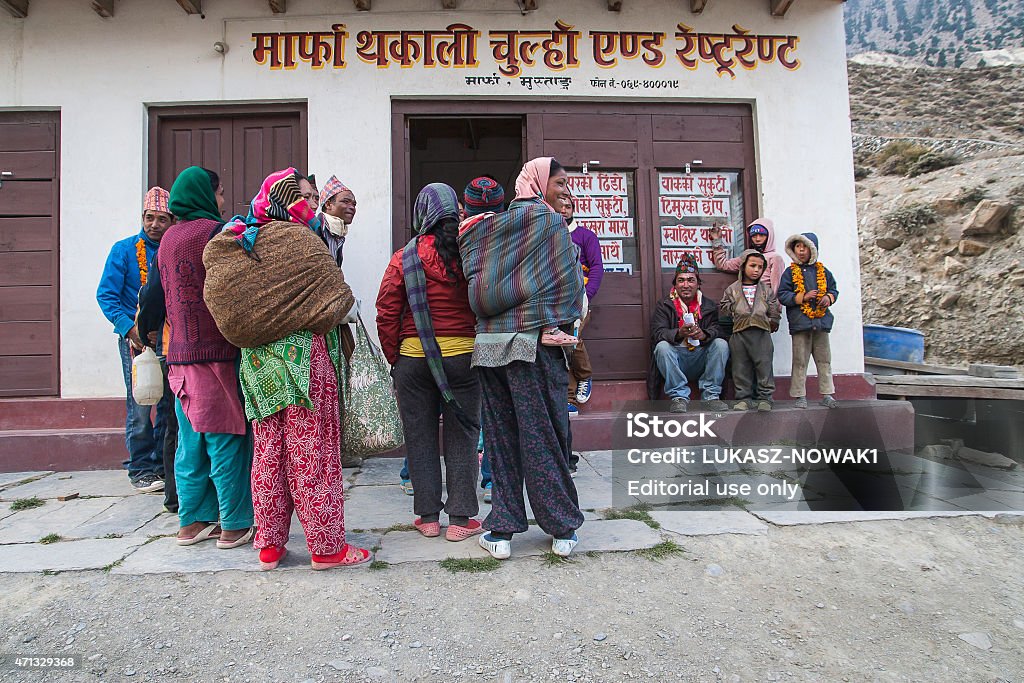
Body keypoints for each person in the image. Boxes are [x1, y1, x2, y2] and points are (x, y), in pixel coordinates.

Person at [227, 168, 370, 570]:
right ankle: (327, 549)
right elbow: (338, 301)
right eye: (304, 198)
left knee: (268, 453)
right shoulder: (301, 241)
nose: (311, 205)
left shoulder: (244, 240)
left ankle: (270, 546)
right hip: (303, 359)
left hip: (257, 364)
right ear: (289, 201)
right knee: (313, 453)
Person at [459, 157, 585, 560]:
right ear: (540, 182)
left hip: (490, 347)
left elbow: (480, 289)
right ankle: (562, 526)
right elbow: (567, 289)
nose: (565, 190)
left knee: (500, 440)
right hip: (533, 347)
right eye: (560, 183)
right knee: (542, 435)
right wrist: (553, 319)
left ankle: (502, 529)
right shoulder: (547, 223)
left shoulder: (491, 224)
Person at [376, 183, 483, 542]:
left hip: (413, 359)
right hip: (464, 359)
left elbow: (386, 311)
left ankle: (427, 517)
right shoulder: (471, 252)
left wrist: (396, 358)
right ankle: (461, 519)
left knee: (419, 436)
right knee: (463, 434)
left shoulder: (403, 257)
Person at [156, 166, 254, 549]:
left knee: (189, 443)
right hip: (215, 355)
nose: (224, 200)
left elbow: (151, 296)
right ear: (206, 195)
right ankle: (233, 525)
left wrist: (145, 332)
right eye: (221, 192)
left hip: (178, 357)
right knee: (226, 439)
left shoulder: (166, 240)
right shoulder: (217, 232)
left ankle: (191, 522)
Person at [96, 186, 174, 493]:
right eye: (149, 218)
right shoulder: (124, 250)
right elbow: (107, 296)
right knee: (141, 405)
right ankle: (140, 467)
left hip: (167, 339)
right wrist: (133, 330)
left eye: (161, 219)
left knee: (167, 404)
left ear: (172, 221)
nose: (154, 225)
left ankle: (161, 465)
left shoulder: (173, 248)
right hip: (134, 342)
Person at [461, 175, 506, 503]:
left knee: (453, 411)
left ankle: (415, 477)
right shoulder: (515, 233)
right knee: (494, 408)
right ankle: (491, 481)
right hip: (498, 333)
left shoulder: (456, 237)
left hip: (460, 336)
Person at [648, 255, 729, 413]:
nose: (686, 285)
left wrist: (703, 335)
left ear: (698, 284)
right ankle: (679, 397)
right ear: (675, 284)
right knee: (662, 347)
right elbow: (657, 334)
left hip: (700, 358)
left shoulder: (708, 305)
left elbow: (717, 330)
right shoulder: (664, 306)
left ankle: (711, 396)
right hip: (676, 359)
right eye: (681, 280)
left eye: (691, 280)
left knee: (721, 344)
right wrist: (679, 333)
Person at [777, 232, 840, 409]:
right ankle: (799, 396)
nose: (801, 251)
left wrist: (829, 298)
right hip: (800, 324)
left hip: (821, 324)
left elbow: (834, 290)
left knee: (824, 360)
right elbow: (782, 295)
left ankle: (827, 394)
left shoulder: (823, 271)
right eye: (798, 247)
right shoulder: (790, 273)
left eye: (805, 247)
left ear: (813, 250)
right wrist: (802, 297)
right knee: (799, 361)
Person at [719, 250, 781, 412]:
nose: (756, 270)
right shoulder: (732, 290)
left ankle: (765, 397)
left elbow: (774, 307)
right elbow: (724, 307)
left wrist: (773, 320)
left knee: (764, 365)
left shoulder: (766, 290)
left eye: (760, 267)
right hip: (739, 332)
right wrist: (733, 308)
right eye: (752, 266)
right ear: (743, 266)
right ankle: (743, 398)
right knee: (740, 367)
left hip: (761, 333)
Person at [560, 196, 604, 417]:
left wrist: (587, 294)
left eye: (568, 207)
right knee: (560, 344)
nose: (564, 210)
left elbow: (596, 267)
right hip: (556, 301)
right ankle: (568, 399)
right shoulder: (549, 236)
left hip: (580, 298)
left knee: (572, 337)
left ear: (574, 210)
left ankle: (584, 376)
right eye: (561, 207)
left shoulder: (585, 236)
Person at [710, 218, 786, 292]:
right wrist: (717, 241)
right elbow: (723, 265)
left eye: (762, 235)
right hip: (745, 301)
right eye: (754, 236)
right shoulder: (747, 256)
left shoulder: (775, 258)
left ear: (769, 236)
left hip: (764, 302)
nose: (758, 239)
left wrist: (772, 304)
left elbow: (777, 289)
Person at [317, 175, 356, 267]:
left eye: (354, 204)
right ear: (328, 204)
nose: (352, 207)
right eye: (345, 202)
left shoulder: (338, 235)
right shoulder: (314, 229)